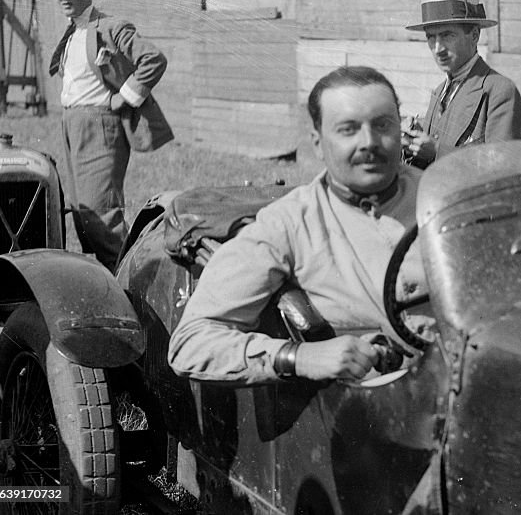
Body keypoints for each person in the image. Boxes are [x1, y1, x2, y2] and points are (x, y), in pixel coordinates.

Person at [168, 66, 422, 385]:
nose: (369, 142)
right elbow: (191, 342)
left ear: (402, 130)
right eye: (348, 129)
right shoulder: (287, 224)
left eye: (382, 125)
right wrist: (297, 357)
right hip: (377, 409)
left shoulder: (447, 198)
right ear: (317, 143)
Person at [46, 0, 169, 271]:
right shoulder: (72, 33)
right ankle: (110, 281)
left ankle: (134, 285)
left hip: (100, 125)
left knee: (101, 214)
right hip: (72, 126)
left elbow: (153, 59)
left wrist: (124, 98)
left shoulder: (111, 27)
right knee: (81, 212)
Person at [402, 0, 521, 168]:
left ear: (474, 35)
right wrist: (411, 144)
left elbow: (504, 166)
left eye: (447, 35)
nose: (438, 48)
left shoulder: (499, 90)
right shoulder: (439, 92)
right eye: (431, 37)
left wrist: (437, 150)